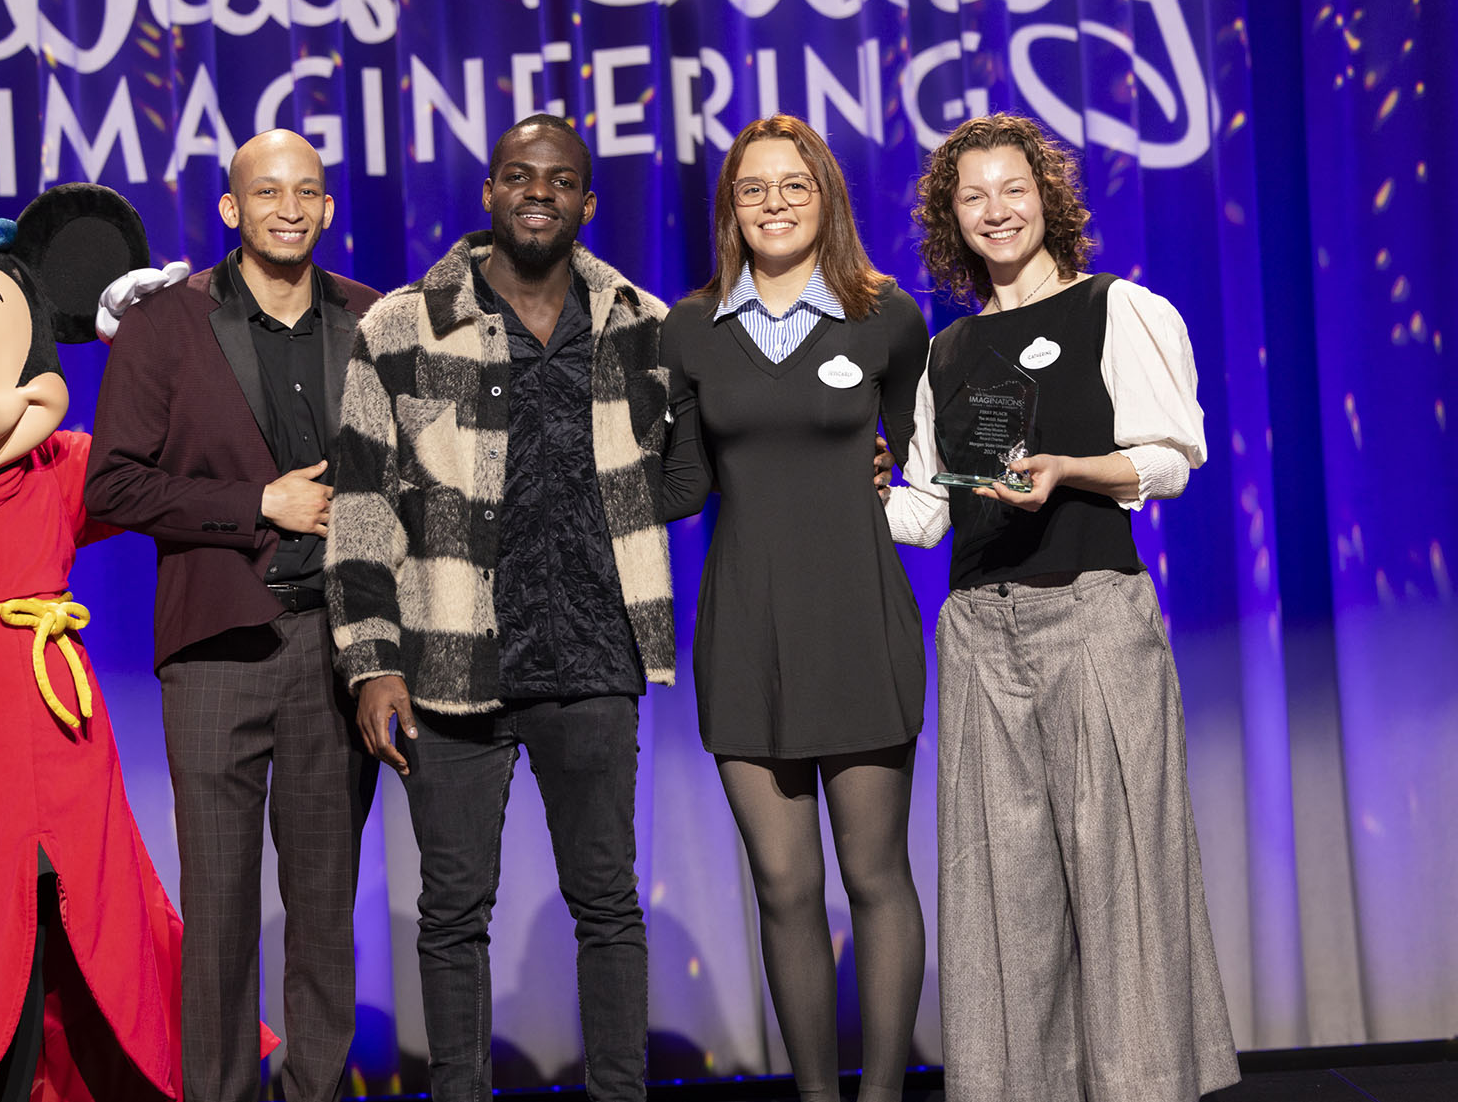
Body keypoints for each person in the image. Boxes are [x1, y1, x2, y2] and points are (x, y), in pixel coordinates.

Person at [883, 113, 1239, 1102]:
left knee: (1128, 885)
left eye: (1013, 189)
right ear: (950, 218)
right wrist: (852, 488)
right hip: (980, 635)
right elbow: (928, 508)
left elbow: (1171, 457)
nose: (995, 211)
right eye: (972, 196)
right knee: (1002, 904)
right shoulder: (945, 353)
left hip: (1092, 616)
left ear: (1050, 198)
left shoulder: (1118, 310)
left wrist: (1070, 470)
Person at [326, 114, 674, 1102]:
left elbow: (680, 465)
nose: (539, 194)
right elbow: (360, 514)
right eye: (519, 176)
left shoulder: (639, 322)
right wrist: (371, 663)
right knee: (453, 913)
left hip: (596, 655)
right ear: (488, 192)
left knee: (607, 903)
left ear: (586, 202)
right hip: (449, 663)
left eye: (560, 181)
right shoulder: (401, 325)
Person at [85, 129, 381, 1102]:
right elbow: (117, 484)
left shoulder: (371, 319)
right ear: (231, 209)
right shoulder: (168, 325)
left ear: (328, 208)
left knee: (324, 908)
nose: (288, 208)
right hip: (216, 651)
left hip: (337, 650)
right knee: (216, 907)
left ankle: (316, 1089)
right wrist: (258, 503)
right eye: (267, 192)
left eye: (306, 192)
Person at [657, 115, 930, 1102]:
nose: (772, 203)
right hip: (746, 635)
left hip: (860, 623)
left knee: (875, 877)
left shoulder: (887, 316)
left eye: (793, 186)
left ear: (828, 199)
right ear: (730, 207)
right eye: (752, 188)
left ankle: (885, 1093)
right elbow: (678, 484)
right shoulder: (688, 329)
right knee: (784, 889)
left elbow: (930, 473)